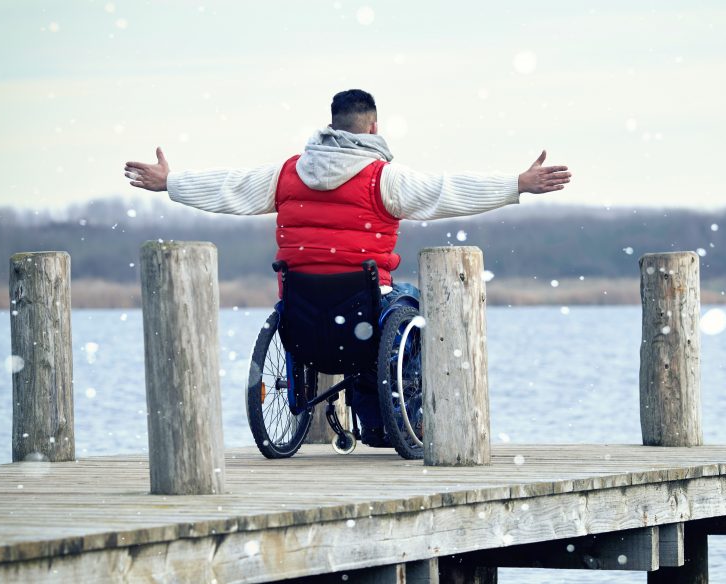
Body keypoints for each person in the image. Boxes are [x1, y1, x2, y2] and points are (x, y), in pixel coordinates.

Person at [124, 89, 571, 447]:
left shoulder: (285, 174)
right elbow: (447, 191)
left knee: (373, 301)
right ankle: (399, 419)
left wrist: (172, 183)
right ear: (373, 127)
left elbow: (229, 188)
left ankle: (363, 412)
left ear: (330, 124)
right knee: (415, 301)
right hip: (363, 311)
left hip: (301, 312)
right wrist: (518, 184)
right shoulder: (384, 178)